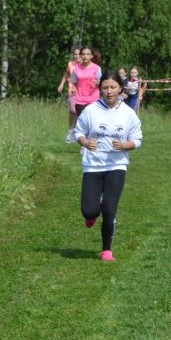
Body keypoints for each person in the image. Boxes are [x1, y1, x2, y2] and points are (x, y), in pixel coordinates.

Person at [72, 69, 143, 262]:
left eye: (113, 87)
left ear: (120, 88)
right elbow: (78, 132)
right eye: (105, 87)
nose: (109, 91)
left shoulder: (128, 114)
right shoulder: (91, 110)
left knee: (110, 210)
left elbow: (137, 140)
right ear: (100, 89)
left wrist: (125, 145)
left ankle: (106, 250)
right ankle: (93, 211)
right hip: (93, 166)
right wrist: (85, 142)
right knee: (89, 211)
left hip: (117, 165)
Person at [68, 45, 102, 135]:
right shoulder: (76, 68)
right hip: (80, 100)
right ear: (80, 55)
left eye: (88, 54)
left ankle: (91, 141)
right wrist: (74, 87)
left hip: (93, 99)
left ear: (91, 56)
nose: (85, 56)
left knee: (92, 123)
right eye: (83, 54)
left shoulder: (97, 68)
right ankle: (82, 142)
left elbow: (102, 83)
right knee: (83, 123)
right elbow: (74, 82)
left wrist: (98, 83)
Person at [58, 46, 81, 142]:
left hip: (83, 92)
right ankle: (70, 130)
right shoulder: (71, 64)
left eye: (78, 54)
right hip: (72, 90)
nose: (77, 56)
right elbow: (67, 74)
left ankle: (76, 133)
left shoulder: (85, 65)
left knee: (80, 113)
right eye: (75, 54)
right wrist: (61, 84)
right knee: (73, 110)